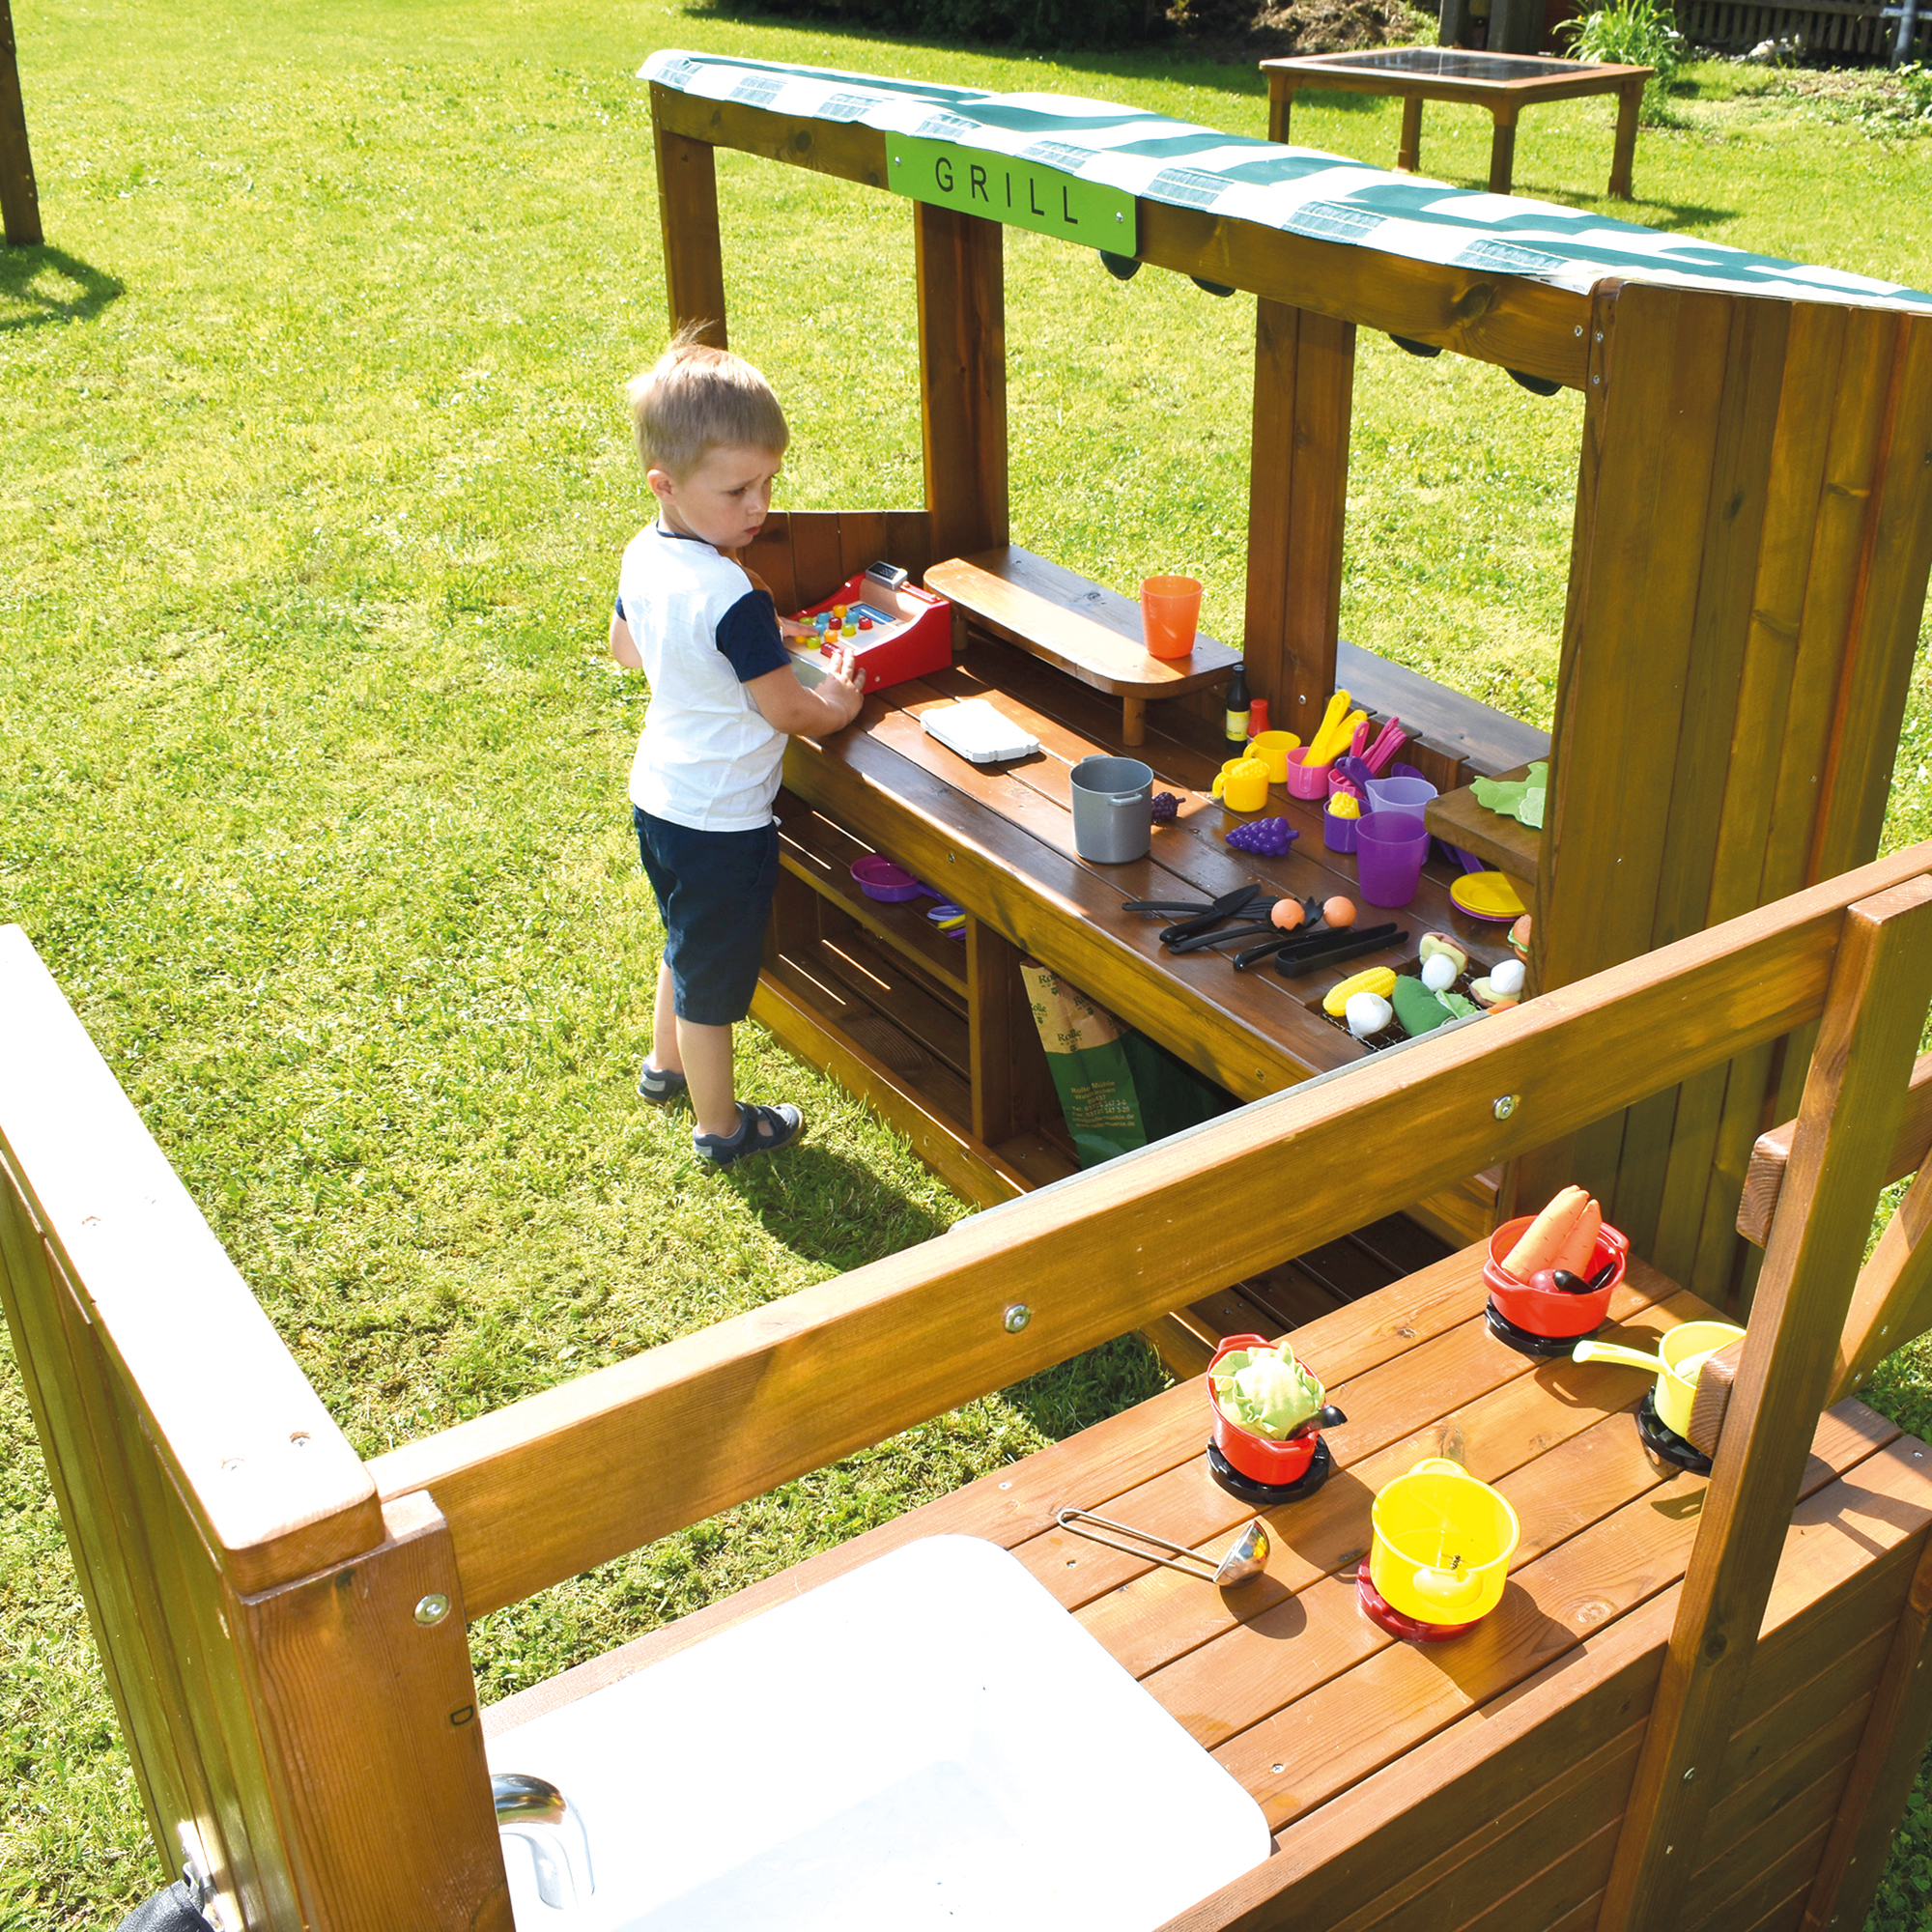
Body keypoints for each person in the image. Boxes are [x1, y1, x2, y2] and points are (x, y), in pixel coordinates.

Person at [611, 328, 866, 1167]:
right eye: (736, 490)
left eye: (768, 483)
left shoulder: (646, 553)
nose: (758, 506)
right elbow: (789, 711)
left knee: (685, 937)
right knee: (716, 984)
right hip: (723, 821)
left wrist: (735, 643)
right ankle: (721, 1129)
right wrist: (841, 701)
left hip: (658, 797)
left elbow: (630, 649)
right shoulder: (731, 593)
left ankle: (663, 1068)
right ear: (667, 483)